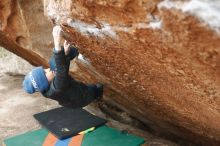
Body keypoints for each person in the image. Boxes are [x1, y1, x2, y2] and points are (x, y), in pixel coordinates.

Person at [22, 26, 103, 108]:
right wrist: (57, 45)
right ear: (45, 82)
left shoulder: (46, 86)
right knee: (98, 87)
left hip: (71, 94)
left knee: (54, 62)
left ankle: (77, 50)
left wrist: (66, 54)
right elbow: (61, 72)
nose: (48, 69)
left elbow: (62, 69)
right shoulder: (57, 88)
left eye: (44, 69)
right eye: (45, 73)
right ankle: (99, 95)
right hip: (80, 99)